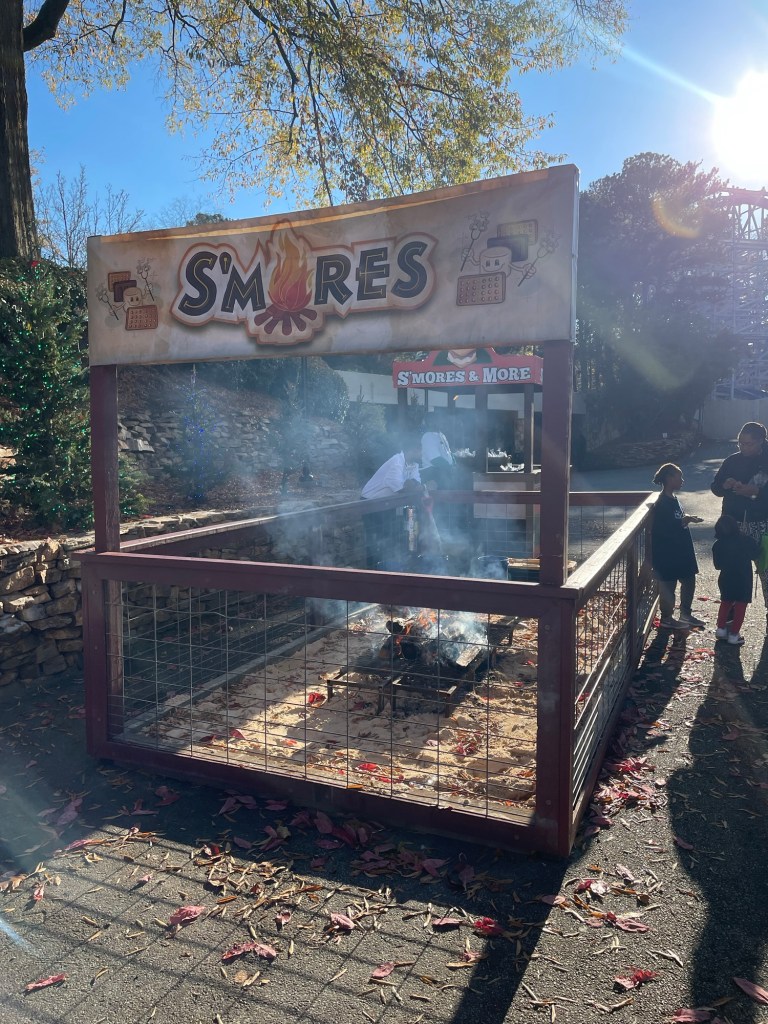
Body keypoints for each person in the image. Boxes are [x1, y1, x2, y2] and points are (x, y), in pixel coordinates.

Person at [711, 421, 768, 620]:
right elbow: (715, 487)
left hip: (761, 522)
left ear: (761, 441)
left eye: (748, 444)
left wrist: (756, 492)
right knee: (732, 571)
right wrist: (724, 485)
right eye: (740, 443)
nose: (743, 447)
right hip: (732, 524)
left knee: (765, 570)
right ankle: (730, 615)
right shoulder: (732, 461)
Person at [651, 463, 705, 630]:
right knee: (669, 585)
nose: (682, 480)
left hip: (682, 551)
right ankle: (667, 618)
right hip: (669, 552)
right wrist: (684, 520)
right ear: (669, 478)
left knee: (689, 580)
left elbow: (677, 518)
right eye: (679, 477)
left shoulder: (674, 499)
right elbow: (663, 527)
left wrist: (687, 517)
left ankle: (685, 614)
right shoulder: (662, 502)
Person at [712, 514, 760, 646]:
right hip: (743, 578)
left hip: (726, 577)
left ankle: (721, 629)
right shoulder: (746, 540)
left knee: (725, 602)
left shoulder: (717, 545)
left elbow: (717, 566)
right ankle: (734, 634)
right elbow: (756, 554)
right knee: (740, 606)